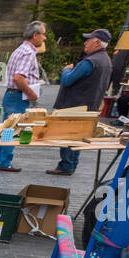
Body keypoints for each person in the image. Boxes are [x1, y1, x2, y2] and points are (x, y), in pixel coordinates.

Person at [48, 28, 113, 176]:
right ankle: (71, 164)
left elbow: (67, 80)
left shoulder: (90, 61)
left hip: (75, 105)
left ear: (97, 43)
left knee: (69, 135)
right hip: (89, 104)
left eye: (88, 40)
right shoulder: (106, 60)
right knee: (78, 136)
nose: (85, 42)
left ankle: (66, 165)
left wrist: (66, 70)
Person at [0, 20, 46, 172]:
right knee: (12, 129)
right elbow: (18, 77)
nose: (44, 38)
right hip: (18, 96)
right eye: (43, 34)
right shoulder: (28, 53)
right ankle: (4, 162)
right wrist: (31, 94)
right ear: (35, 35)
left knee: (5, 127)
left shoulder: (20, 49)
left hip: (11, 94)